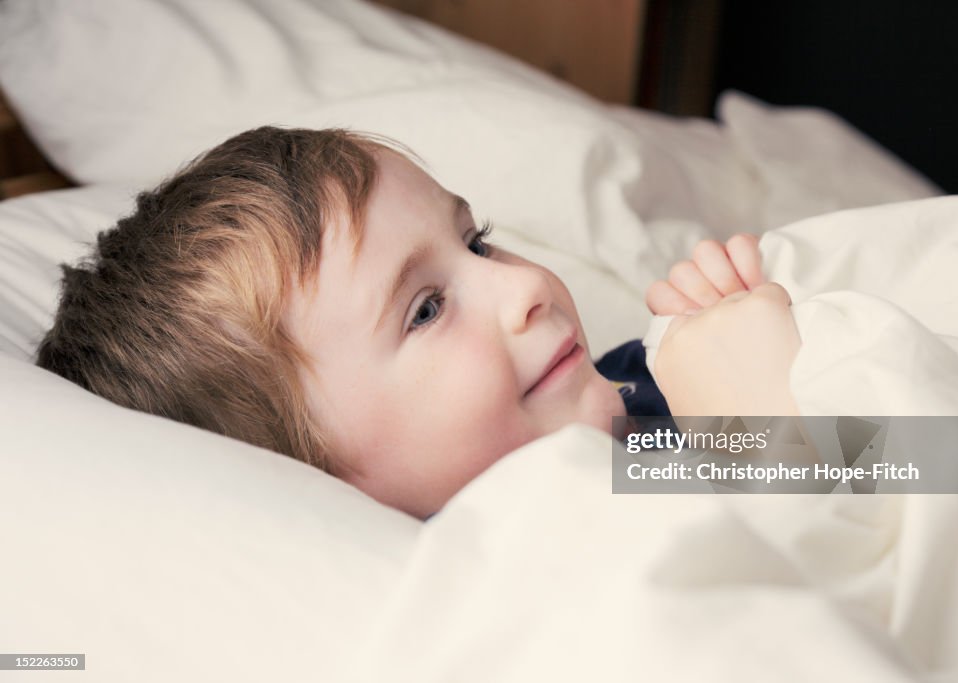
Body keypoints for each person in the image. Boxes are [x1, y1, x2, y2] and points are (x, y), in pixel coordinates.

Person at [36, 127, 800, 519]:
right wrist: (768, 419)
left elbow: (911, 460)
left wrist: (760, 357)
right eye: (426, 309)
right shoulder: (546, 553)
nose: (524, 284)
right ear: (315, 485)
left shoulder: (632, 397)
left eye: (476, 241)